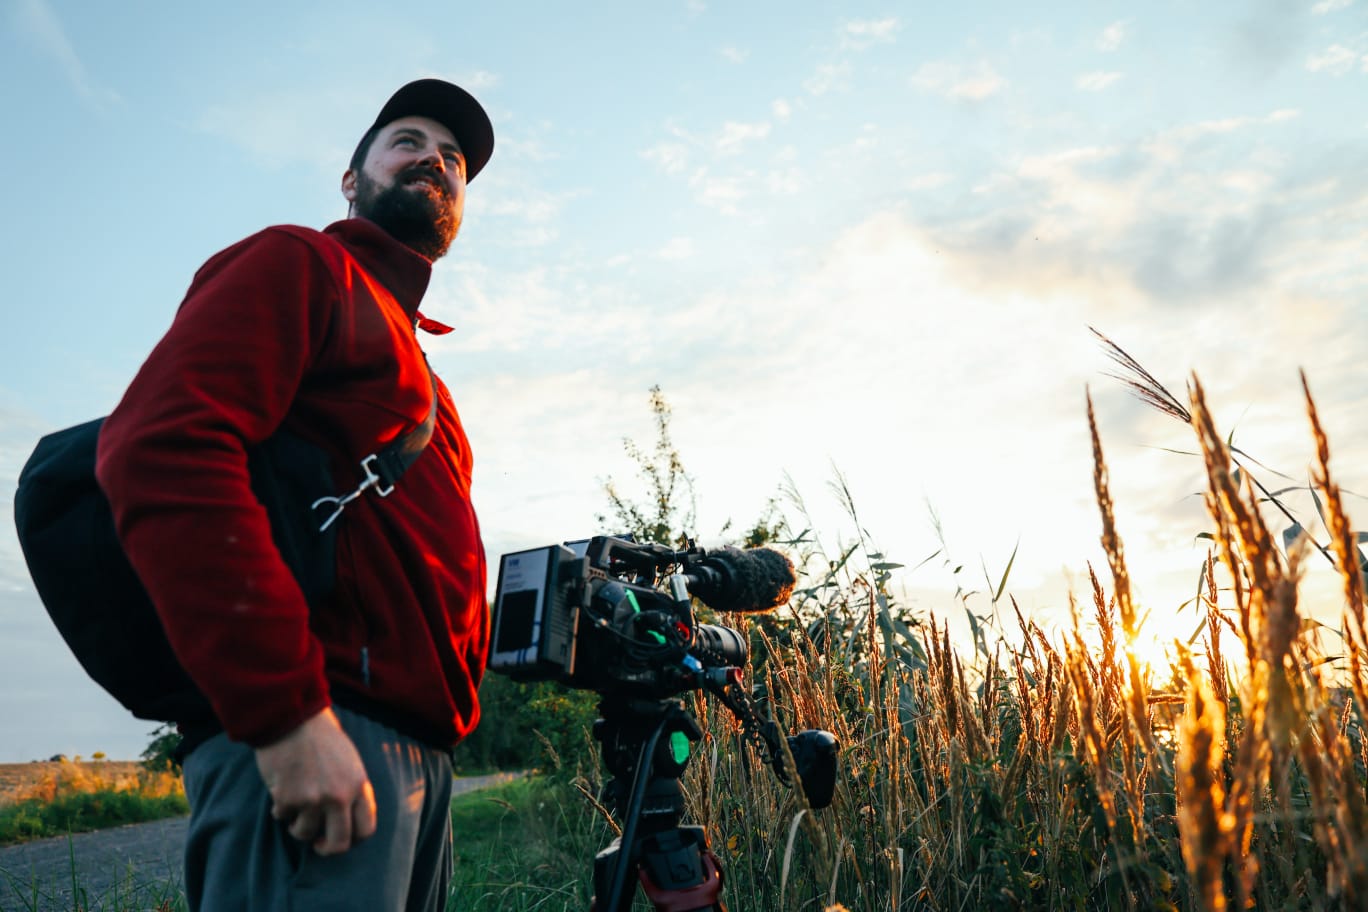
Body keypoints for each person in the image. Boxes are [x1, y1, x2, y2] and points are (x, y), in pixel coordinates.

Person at [95, 79, 493, 911]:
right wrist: (284, 717)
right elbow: (164, 448)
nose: (436, 160)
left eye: (453, 159)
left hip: (422, 768)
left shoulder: (429, 382)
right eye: (407, 141)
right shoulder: (301, 262)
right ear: (352, 181)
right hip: (323, 734)